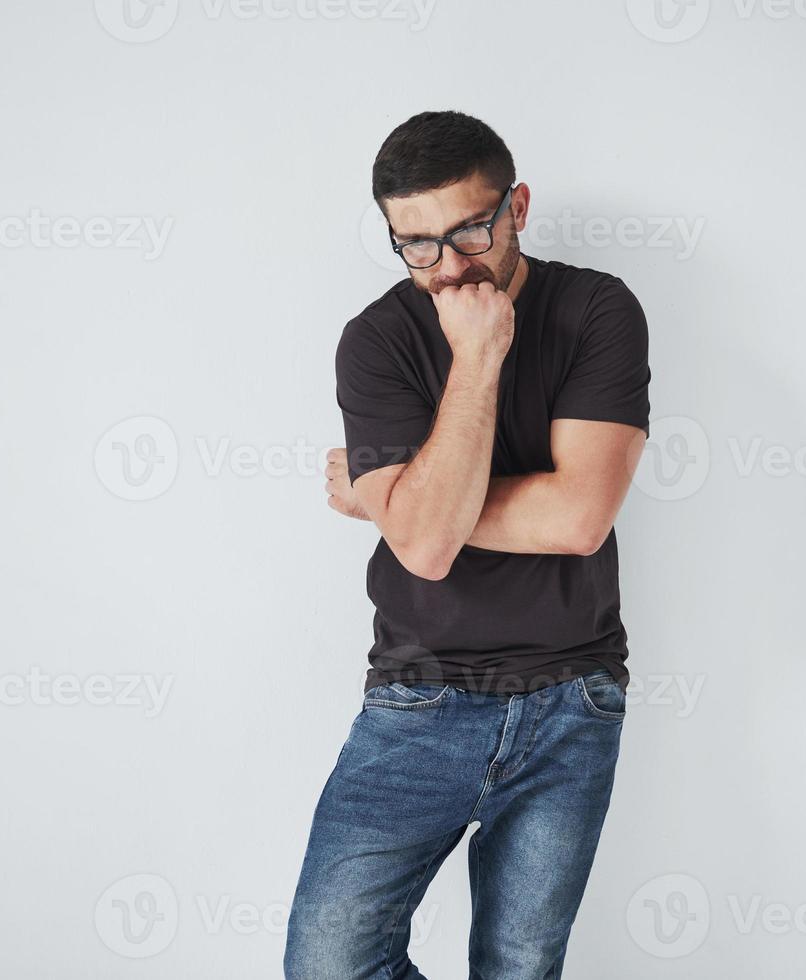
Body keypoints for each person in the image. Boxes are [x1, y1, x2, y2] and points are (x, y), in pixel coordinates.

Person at [284, 109, 652, 979]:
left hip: (573, 699)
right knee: (329, 965)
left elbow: (577, 519)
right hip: (418, 697)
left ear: (516, 205)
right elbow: (425, 553)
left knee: (520, 967)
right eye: (414, 243)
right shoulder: (375, 341)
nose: (447, 267)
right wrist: (476, 359)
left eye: (470, 231)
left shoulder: (598, 308)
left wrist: (404, 507)